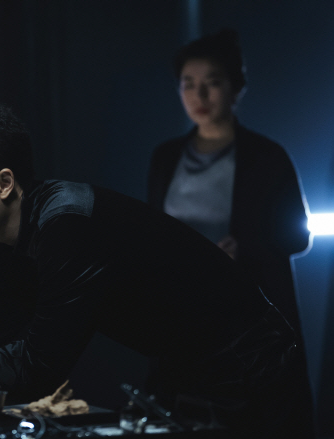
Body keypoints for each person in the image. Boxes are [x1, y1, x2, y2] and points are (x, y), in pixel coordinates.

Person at [0, 100, 308, 437]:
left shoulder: (66, 225)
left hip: (252, 368)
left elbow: (35, 369)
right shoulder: (9, 236)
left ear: (3, 183)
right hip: (191, 371)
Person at [148, 30, 314, 436]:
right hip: (181, 312)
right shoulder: (166, 157)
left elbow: (299, 236)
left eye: (213, 82)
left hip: (248, 318)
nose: (200, 95)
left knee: (253, 419)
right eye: (188, 84)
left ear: (236, 88)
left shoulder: (267, 157)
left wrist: (246, 248)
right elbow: (151, 233)